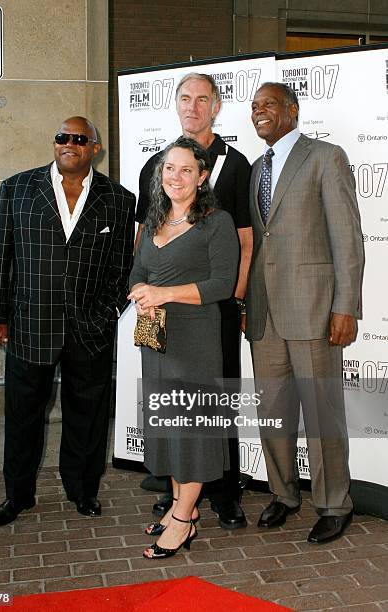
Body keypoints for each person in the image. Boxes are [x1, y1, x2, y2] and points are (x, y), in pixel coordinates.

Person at [0, 116, 135, 527]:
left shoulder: (119, 199)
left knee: (88, 416)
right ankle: (17, 495)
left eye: (79, 139)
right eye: (62, 138)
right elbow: (0, 254)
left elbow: (124, 268)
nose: (69, 144)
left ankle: (83, 491)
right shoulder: (17, 188)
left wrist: (107, 315)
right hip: (29, 324)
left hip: (90, 329)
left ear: (95, 148)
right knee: (22, 416)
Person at [245, 83, 364, 543]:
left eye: (269, 105)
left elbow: (347, 239)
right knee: (273, 412)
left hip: (314, 309)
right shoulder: (258, 168)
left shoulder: (325, 157)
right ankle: (284, 493)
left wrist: (345, 306)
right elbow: (261, 243)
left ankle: (335, 503)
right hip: (265, 313)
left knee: (321, 412)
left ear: (292, 110)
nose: (260, 113)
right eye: (254, 107)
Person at [135, 73, 252, 530]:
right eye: (185, 98)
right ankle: (178, 498)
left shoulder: (237, 166)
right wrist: (141, 293)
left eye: (203, 99)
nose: (193, 106)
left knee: (208, 405)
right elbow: (141, 244)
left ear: (216, 105)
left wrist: (235, 303)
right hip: (158, 324)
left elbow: (243, 245)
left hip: (210, 312)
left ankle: (220, 496)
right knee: (169, 407)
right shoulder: (155, 167)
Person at [128, 137, 239, 559]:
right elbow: (136, 273)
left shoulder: (217, 221)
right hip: (155, 342)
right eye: (169, 168)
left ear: (202, 176)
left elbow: (220, 286)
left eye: (186, 170)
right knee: (170, 428)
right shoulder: (155, 219)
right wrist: (141, 289)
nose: (175, 176)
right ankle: (184, 511)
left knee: (191, 431)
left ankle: (179, 522)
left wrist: (163, 293)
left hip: (195, 342)